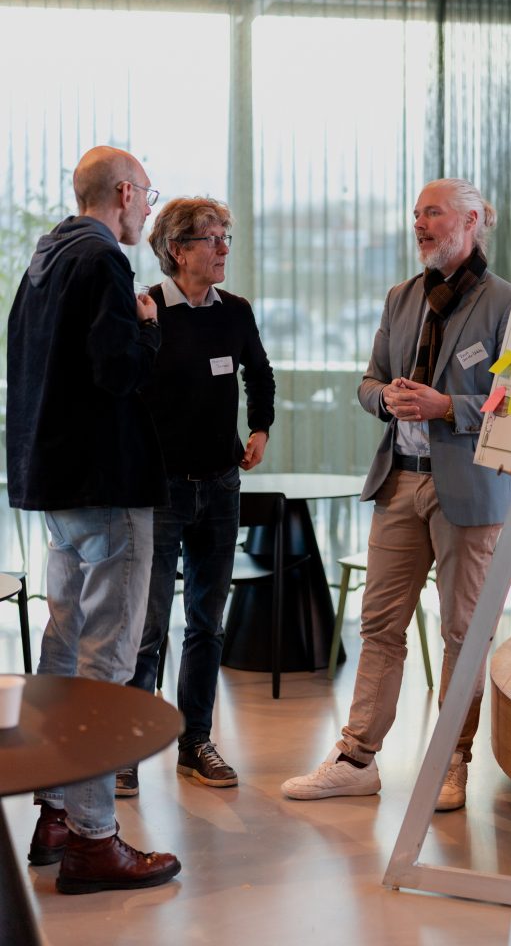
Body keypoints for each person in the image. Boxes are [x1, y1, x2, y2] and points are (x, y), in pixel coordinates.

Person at [282, 178, 511, 809]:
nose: (419, 224)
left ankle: (451, 762)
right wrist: (381, 399)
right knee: (380, 624)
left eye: (432, 213)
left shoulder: (508, 304)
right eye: (416, 214)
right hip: (400, 480)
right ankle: (357, 757)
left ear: (470, 222)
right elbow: (368, 380)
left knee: (465, 633)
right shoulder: (400, 298)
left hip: (470, 489)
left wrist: (450, 406)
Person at [6, 145, 181, 893]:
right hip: (107, 486)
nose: (147, 208)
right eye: (146, 195)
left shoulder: (42, 260)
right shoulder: (104, 260)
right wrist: (146, 327)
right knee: (106, 664)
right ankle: (92, 838)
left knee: (64, 644)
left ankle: (54, 809)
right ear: (123, 192)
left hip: (56, 486)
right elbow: (117, 372)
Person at [115, 196, 275, 799]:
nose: (223, 250)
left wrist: (260, 428)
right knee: (148, 626)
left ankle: (195, 743)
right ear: (178, 250)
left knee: (207, 624)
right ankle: (128, 749)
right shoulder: (148, 311)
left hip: (221, 488)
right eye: (212, 240)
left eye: (225, 238)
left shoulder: (235, 311)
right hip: (161, 494)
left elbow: (258, 374)